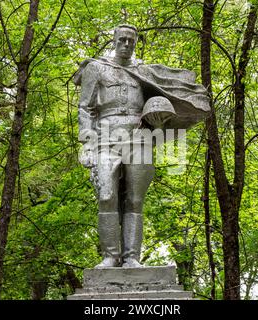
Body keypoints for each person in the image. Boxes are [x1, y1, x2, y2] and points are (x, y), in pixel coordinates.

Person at [74, 24, 209, 268]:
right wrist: (87, 143)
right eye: (122, 40)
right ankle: (110, 257)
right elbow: (85, 108)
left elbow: (158, 109)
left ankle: (131, 258)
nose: (126, 44)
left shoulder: (144, 71)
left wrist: (158, 125)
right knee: (106, 196)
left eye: (131, 41)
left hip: (139, 139)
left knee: (135, 200)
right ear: (114, 41)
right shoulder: (97, 68)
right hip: (106, 138)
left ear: (136, 43)